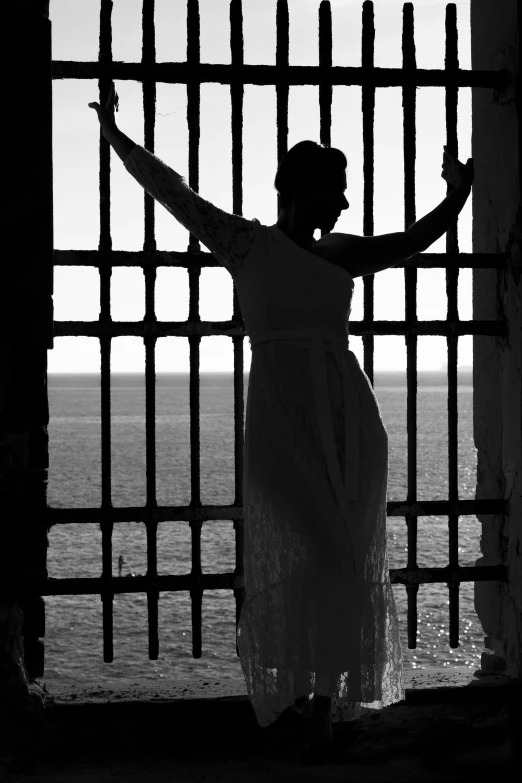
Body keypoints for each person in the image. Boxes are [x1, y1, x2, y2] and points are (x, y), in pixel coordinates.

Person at [89, 83, 474, 764]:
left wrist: (458, 191)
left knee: (340, 556)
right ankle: (302, 685)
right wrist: (117, 136)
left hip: (347, 418)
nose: (346, 203)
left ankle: (321, 703)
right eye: (337, 189)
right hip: (281, 422)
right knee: (308, 549)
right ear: (304, 189)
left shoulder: (342, 253)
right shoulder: (246, 243)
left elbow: (413, 241)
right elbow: (173, 192)